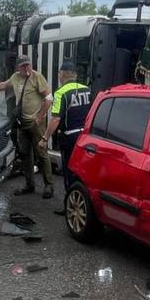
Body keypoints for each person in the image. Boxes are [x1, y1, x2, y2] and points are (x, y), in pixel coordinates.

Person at [0, 54, 54, 198]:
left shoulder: (37, 77)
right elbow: (4, 84)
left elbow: (49, 98)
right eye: (23, 66)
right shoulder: (15, 77)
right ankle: (29, 185)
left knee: (41, 152)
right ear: (18, 68)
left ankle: (49, 185)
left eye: (28, 65)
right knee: (25, 154)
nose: (26, 68)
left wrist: (40, 116)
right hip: (22, 123)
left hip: (36, 124)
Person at [42, 60, 92, 210]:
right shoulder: (87, 90)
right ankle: (83, 204)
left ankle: (70, 207)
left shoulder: (61, 93)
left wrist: (45, 138)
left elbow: (56, 119)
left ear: (62, 75)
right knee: (82, 172)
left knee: (69, 172)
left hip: (69, 138)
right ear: (75, 75)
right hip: (85, 137)